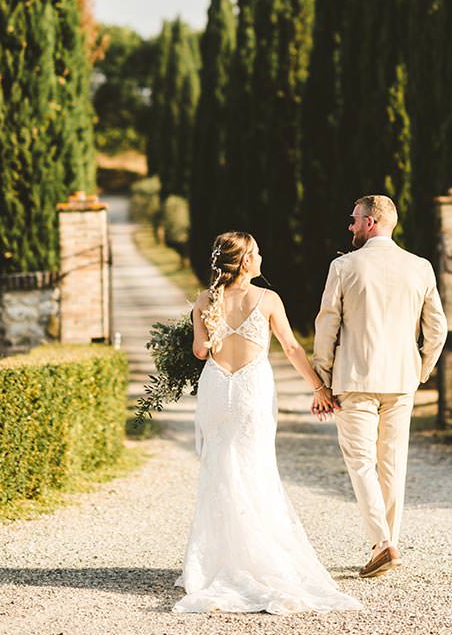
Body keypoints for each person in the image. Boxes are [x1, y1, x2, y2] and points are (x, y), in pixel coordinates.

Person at [172, 231, 362, 615]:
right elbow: (291, 348)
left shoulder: (206, 300)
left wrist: (208, 328)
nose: (261, 258)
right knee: (255, 467)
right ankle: (257, 555)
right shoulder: (268, 300)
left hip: (216, 389)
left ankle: (219, 560)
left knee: (219, 467)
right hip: (250, 390)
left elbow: (199, 351)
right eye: (256, 253)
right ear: (244, 262)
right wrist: (319, 387)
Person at [313, 194, 448, 578]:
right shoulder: (419, 267)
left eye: (354, 219)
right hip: (402, 379)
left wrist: (322, 376)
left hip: (356, 378)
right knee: (392, 464)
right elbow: (437, 328)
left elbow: (327, 325)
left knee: (360, 462)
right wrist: (421, 369)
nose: (350, 226)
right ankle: (388, 541)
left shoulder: (343, 266)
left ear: (371, 222)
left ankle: (382, 543)